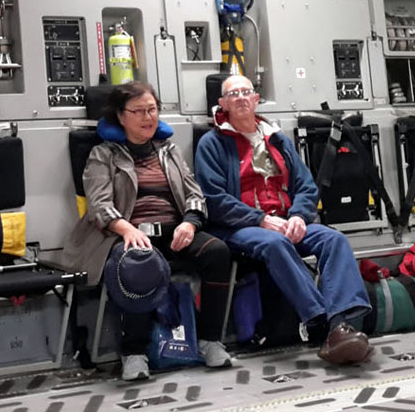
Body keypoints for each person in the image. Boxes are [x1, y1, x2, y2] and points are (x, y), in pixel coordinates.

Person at [195, 75, 373, 366]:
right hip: (241, 227)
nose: (241, 98)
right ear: (223, 104)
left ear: (256, 99)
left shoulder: (277, 139)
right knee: (275, 243)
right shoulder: (211, 144)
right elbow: (214, 199)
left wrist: (299, 216)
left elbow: (306, 186)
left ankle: (340, 324)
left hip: (286, 220)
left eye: (246, 92)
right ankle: (321, 324)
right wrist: (261, 220)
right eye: (233, 94)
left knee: (333, 239)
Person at [61, 81, 233, 381]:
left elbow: (194, 194)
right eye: (138, 111)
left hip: (173, 231)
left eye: (152, 110)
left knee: (217, 252)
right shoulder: (103, 154)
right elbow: (99, 205)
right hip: (125, 233)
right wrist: (127, 229)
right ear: (121, 116)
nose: (148, 117)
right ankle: (134, 353)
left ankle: (210, 340)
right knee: (137, 262)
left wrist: (190, 222)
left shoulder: (169, 150)